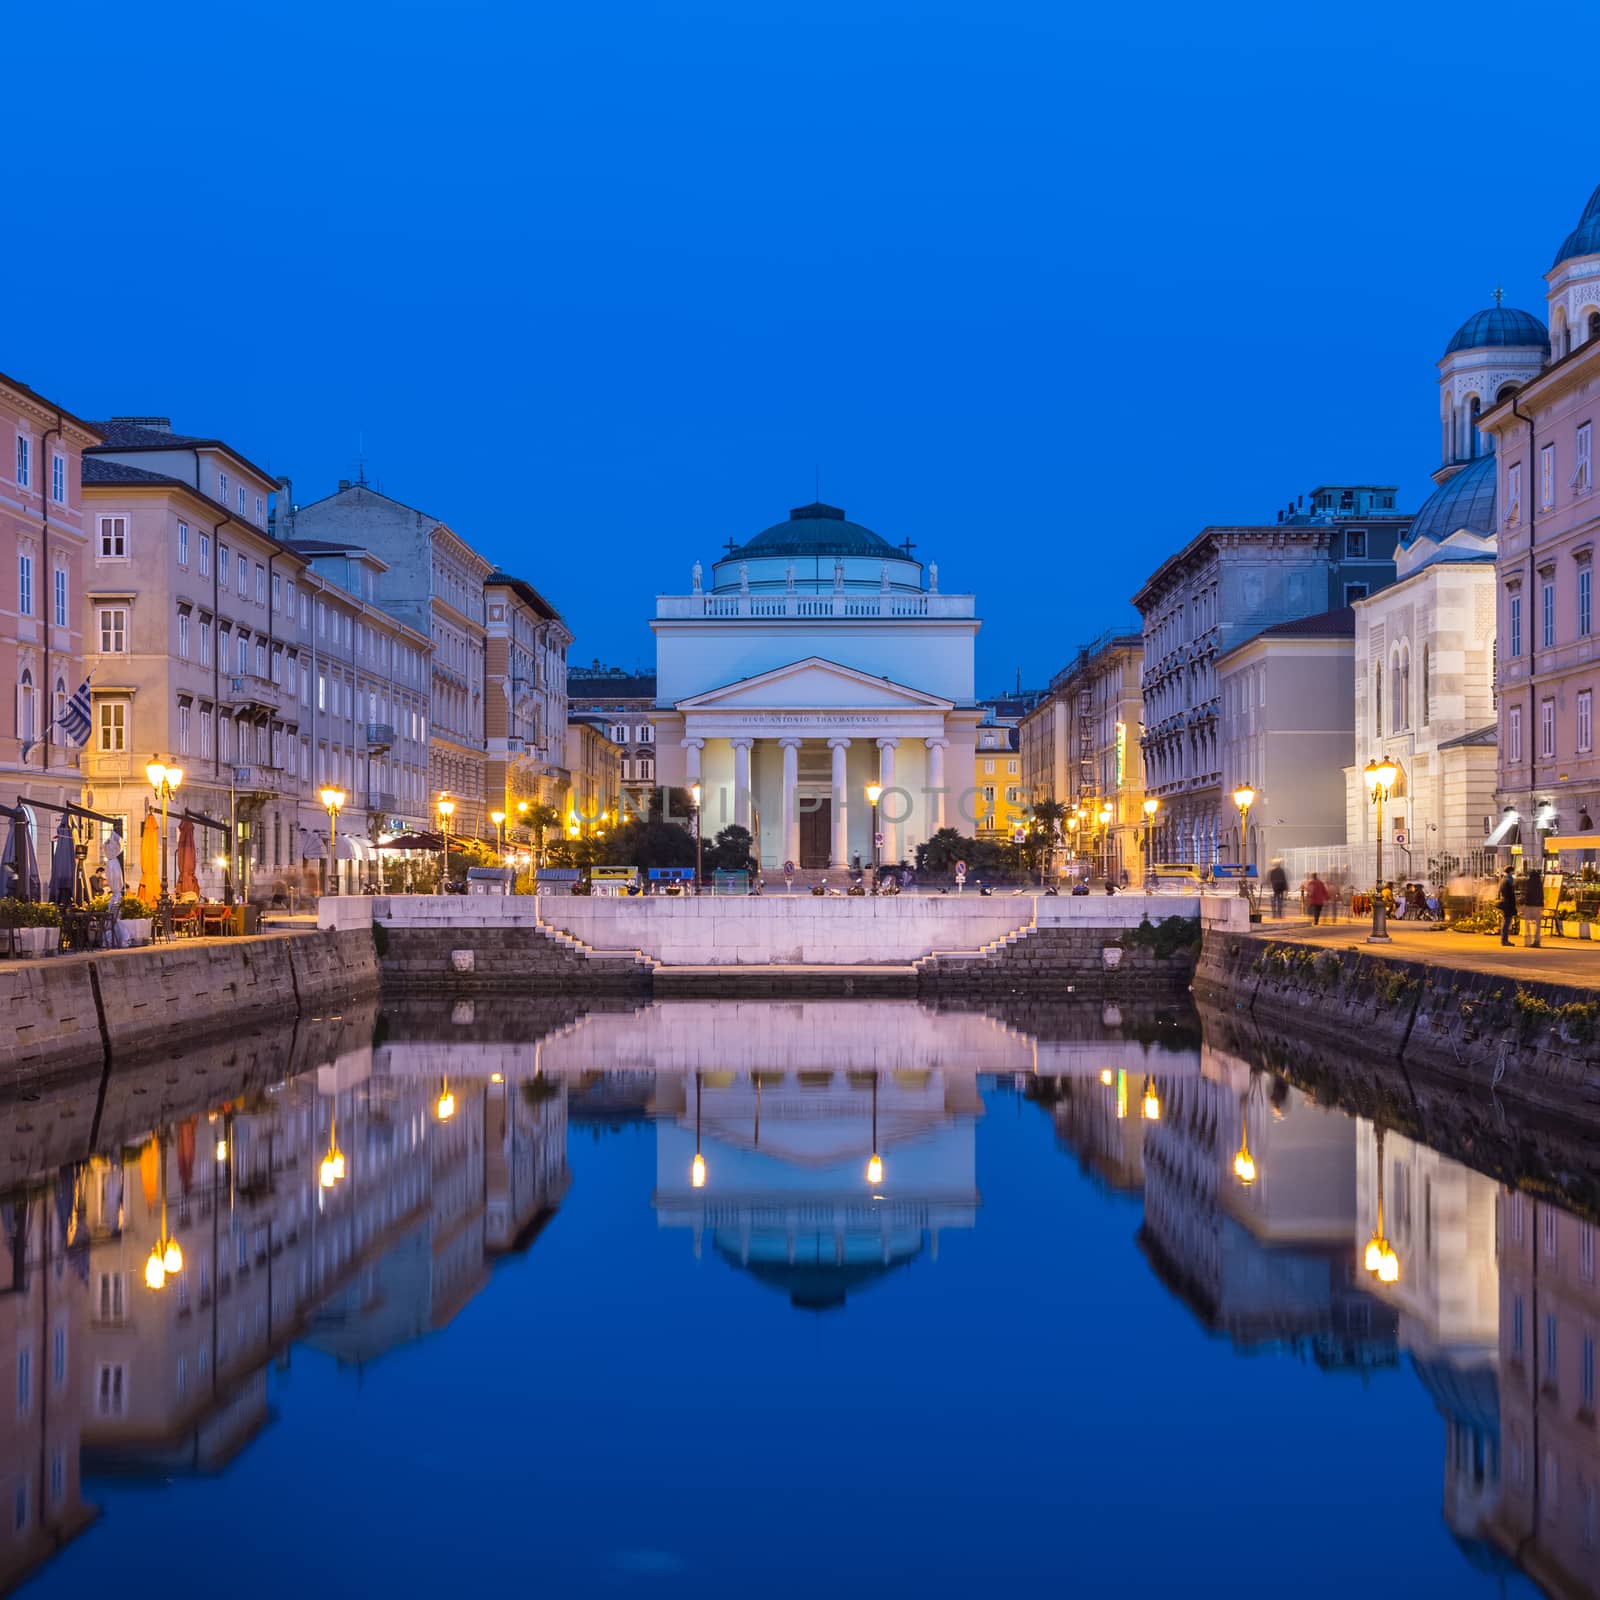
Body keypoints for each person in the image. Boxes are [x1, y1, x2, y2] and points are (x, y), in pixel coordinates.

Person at [1521, 862, 1545, 948]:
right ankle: (1537, 941)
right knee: (1538, 925)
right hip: (1538, 906)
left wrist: (1525, 904)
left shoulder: (1529, 883)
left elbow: (1527, 894)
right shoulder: (1540, 884)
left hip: (1529, 905)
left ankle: (1527, 941)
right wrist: (1542, 905)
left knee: (1527, 924)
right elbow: (1542, 895)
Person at [1498, 866, 1519, 946]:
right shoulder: (1508, 881)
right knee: (1507, 922)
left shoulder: (1503, 880)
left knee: (1506, 921)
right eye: (1512, 871)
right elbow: (1510, 894)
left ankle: (1504, 940)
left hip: (1505, 903)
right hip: (1508, 904)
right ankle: (1504, 940)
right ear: (1510, 871)